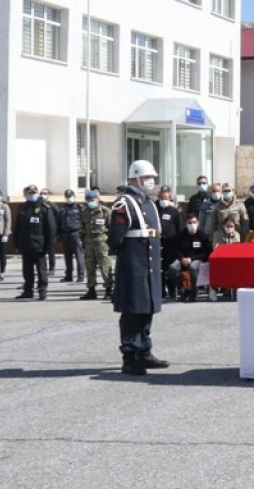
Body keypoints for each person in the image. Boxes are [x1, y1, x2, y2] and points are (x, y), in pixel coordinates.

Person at [108, 160, 169, 375]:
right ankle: (130, 355)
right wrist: (128, 261)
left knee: (147, 308)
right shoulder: (124, 203)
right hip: (133, 263)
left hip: (149, 261)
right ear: (134, 178)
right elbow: (116, 238)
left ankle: (144, 351)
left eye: (152, 178)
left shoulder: (148, 203)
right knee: (133, 310)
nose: (150, 182)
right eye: (146, 178)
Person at [14, 184, 57, 300]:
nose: (31, 195)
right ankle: (28, 291)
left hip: (39, 245)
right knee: (27, 270)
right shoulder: (23, 207)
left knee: (41, 270)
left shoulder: (44, 208)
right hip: (26, 244)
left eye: (33, 193)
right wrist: (16, 243)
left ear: (37, 193)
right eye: (29, 193)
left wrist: (48, 246)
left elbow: (50, 228)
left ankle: (42, 290)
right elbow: (17, 227)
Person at [168, 213, 211, 303]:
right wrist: (181, 259)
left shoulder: (202, 236)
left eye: (194, 222)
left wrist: (191, 259)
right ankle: (183, 289)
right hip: (182, 259)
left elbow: (205, 252)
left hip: (197, 260)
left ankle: (193, 291)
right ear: (186, 224)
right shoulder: (181, 235)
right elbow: (176, 249)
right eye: (190, 222)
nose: (192, 224)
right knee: (172, 268)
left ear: (198, 223)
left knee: (192, 267)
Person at [79, 190, 112, 300]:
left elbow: (111, 228)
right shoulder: (84, 212)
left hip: (102, 243)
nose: (90, 202)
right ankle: (91, 290)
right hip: (89, 243)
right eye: (88, 200)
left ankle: (108, 290)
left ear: (98, 199)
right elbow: (82, 228)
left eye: (92, 200)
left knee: (105, 267)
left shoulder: (105, 212)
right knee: (90, 267)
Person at [57, 189, 86, 283]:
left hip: (76, 234)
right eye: (67, 196)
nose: (69, 198)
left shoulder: (80, 207)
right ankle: (68, 276)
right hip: (65, 234)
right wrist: (59, 235)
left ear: (74, 196)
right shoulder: (62, 209)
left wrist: (83, 235)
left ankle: (80, 276)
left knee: (79, 256)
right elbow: (59, 222)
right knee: (67, 256)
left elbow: (84, 221)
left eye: (70, 196)